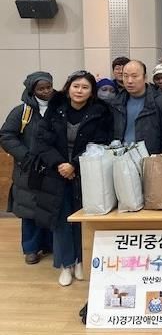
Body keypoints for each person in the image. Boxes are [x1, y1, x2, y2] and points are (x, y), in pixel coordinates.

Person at [34, 71, 112, 286]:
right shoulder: (55, 109)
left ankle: (81, 260)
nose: (80, 91)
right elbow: (41, 142)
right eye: (76, 86)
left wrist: (74, 164)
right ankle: (65, 264)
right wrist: (60, 164)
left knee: (82, 218)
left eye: (85, 87)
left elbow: (101, 142)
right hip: (56, 174)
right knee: (61, 220)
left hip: (85, 172)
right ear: (68, 88)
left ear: (91, 92)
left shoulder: (101, 112)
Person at [0, 71, 55, 265]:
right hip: (29, 169)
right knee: (29, 210)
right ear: (32, 90)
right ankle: (31, 248)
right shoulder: (21, 111)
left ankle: (50, 245)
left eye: (48, 87)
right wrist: (25, 156)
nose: (46, 91)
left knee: (50, 208)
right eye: (41, 89)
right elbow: (6, 135)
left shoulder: (58, 108)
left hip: (52, 168)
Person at [110, 60, 162, 154]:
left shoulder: (161, 102)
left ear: (145, 78)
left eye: (134, 76)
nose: (129, 81)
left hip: (150, 158)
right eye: (125, 76)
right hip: (121, 157)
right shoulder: (117, 102)